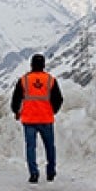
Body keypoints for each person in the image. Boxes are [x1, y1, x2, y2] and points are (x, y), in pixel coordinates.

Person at [11, 54, 63, 183]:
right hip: (46, 119)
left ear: (31, 65)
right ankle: (51, 172)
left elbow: (16, 99)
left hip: (29, 120)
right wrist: (53, 111)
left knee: (31, 147)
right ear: (44, 65)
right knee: (50, 147)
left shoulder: (24, 80)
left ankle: (34, 173)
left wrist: (16, 111)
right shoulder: (50, 80)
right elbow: (59, 99)